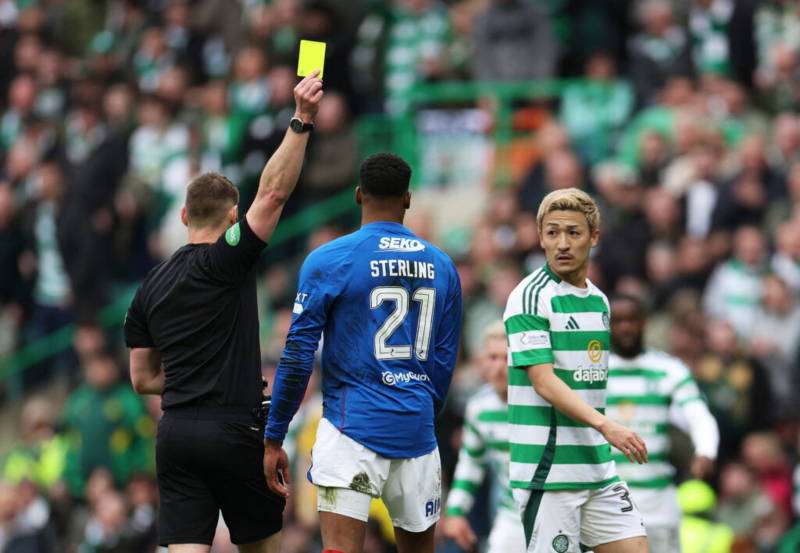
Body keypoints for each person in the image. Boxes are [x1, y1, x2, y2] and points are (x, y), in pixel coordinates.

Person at [123, 71, 324, 552]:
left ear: (184, 216)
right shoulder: (228, 256)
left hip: (175, 436)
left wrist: (191, 378)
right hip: (234, 429)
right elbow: (273, 193)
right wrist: (301, 119)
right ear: (233, 219)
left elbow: (142, 379)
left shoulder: (149, 286)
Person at [264, 152, 462, 553]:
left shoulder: (329, 260)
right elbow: (443, 360)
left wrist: (274, 436)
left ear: (358, 195)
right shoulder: (443, 266)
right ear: (408, 198)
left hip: (350, 429)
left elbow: (299, 354)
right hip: (416, 432)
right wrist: (420, 407)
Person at [502, 187, 649, 553]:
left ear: (594, 238)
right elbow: (543, 380)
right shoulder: (530, 296)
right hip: (550, 473)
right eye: (552, 233)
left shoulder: (599, 300)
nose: (562, 244)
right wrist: (606, 425)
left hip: (597, 466)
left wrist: (602, 432)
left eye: (574, 233)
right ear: (540, 238)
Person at [607, 294, 720, 553]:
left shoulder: (668, 369)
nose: (626, 327)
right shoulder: (593, 372)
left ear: (644, 322)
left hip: (657, 501)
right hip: (608, 501)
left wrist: (706, 450)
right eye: (618, 320)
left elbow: (698, 414)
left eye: (632, 319)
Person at [442, 320, 525, 553]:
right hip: (511, 516)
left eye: (507, 358)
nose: (499, 366)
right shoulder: (479, 407)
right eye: (493, 357)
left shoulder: (545, 402)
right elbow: (471, 463)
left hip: (556, 514)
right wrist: (455, 512)